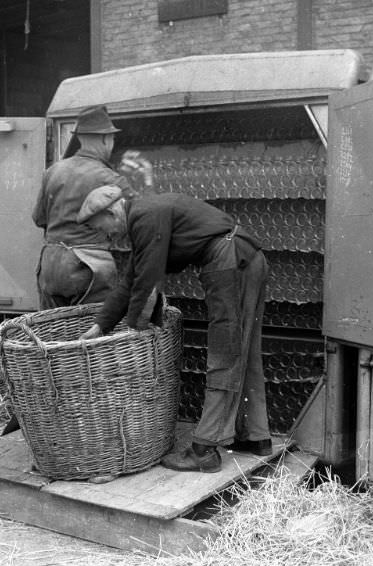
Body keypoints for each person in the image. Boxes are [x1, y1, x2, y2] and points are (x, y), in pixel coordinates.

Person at [79, 188, 272, 473]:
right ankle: (256, 436)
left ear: (111, 212)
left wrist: (135, 330)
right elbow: (131, 279)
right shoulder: (145, 217)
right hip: (242, 259)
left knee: (225, 353)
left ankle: (204, 450)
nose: (105, 236)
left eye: (101, 228)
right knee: (244, 352)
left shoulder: (144, 217)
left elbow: (148, 279)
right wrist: (100, 326)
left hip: (230, 262)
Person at [31, 104, 151, 309]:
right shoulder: (110, 178)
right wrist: (147, 180)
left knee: (52, 333)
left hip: (50, 265)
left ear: (80, 137)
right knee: (91, 334)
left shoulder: (53, 171)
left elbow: (38, 219)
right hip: (88, 267)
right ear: (106, 139)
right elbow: (142, 220)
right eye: (112, 140)